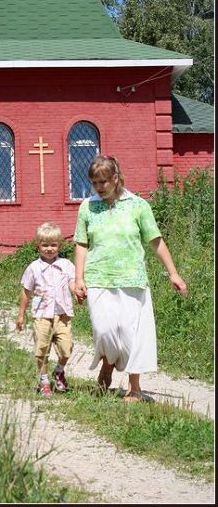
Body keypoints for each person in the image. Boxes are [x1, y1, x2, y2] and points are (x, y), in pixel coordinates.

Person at [74, 155, 188, 402]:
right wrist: (78, 278)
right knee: (103, 331)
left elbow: (155, 240)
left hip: (132, 278)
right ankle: (108, 362)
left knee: (130, 334)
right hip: (98, 277)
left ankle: (134, 387)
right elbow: (81, 243)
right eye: (95, 183)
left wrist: (173, 273)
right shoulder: (87, 207)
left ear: (116, 178)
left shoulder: (138, 205)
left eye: (104, 181)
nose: (100, 187)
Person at [16, 222, 77, 397]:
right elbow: (26, 292)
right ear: (38, 246)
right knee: (42, 349)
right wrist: (21, 315)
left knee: (66, 348)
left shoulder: (66, 265)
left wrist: (77, 292)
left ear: (59, 245)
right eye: (45, 245)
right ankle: (43, 380)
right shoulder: (33, 268)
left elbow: (72, 283)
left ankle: (59, 371)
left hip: (63, 314)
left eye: (53, 245)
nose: (49, 249)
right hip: (41, 314)